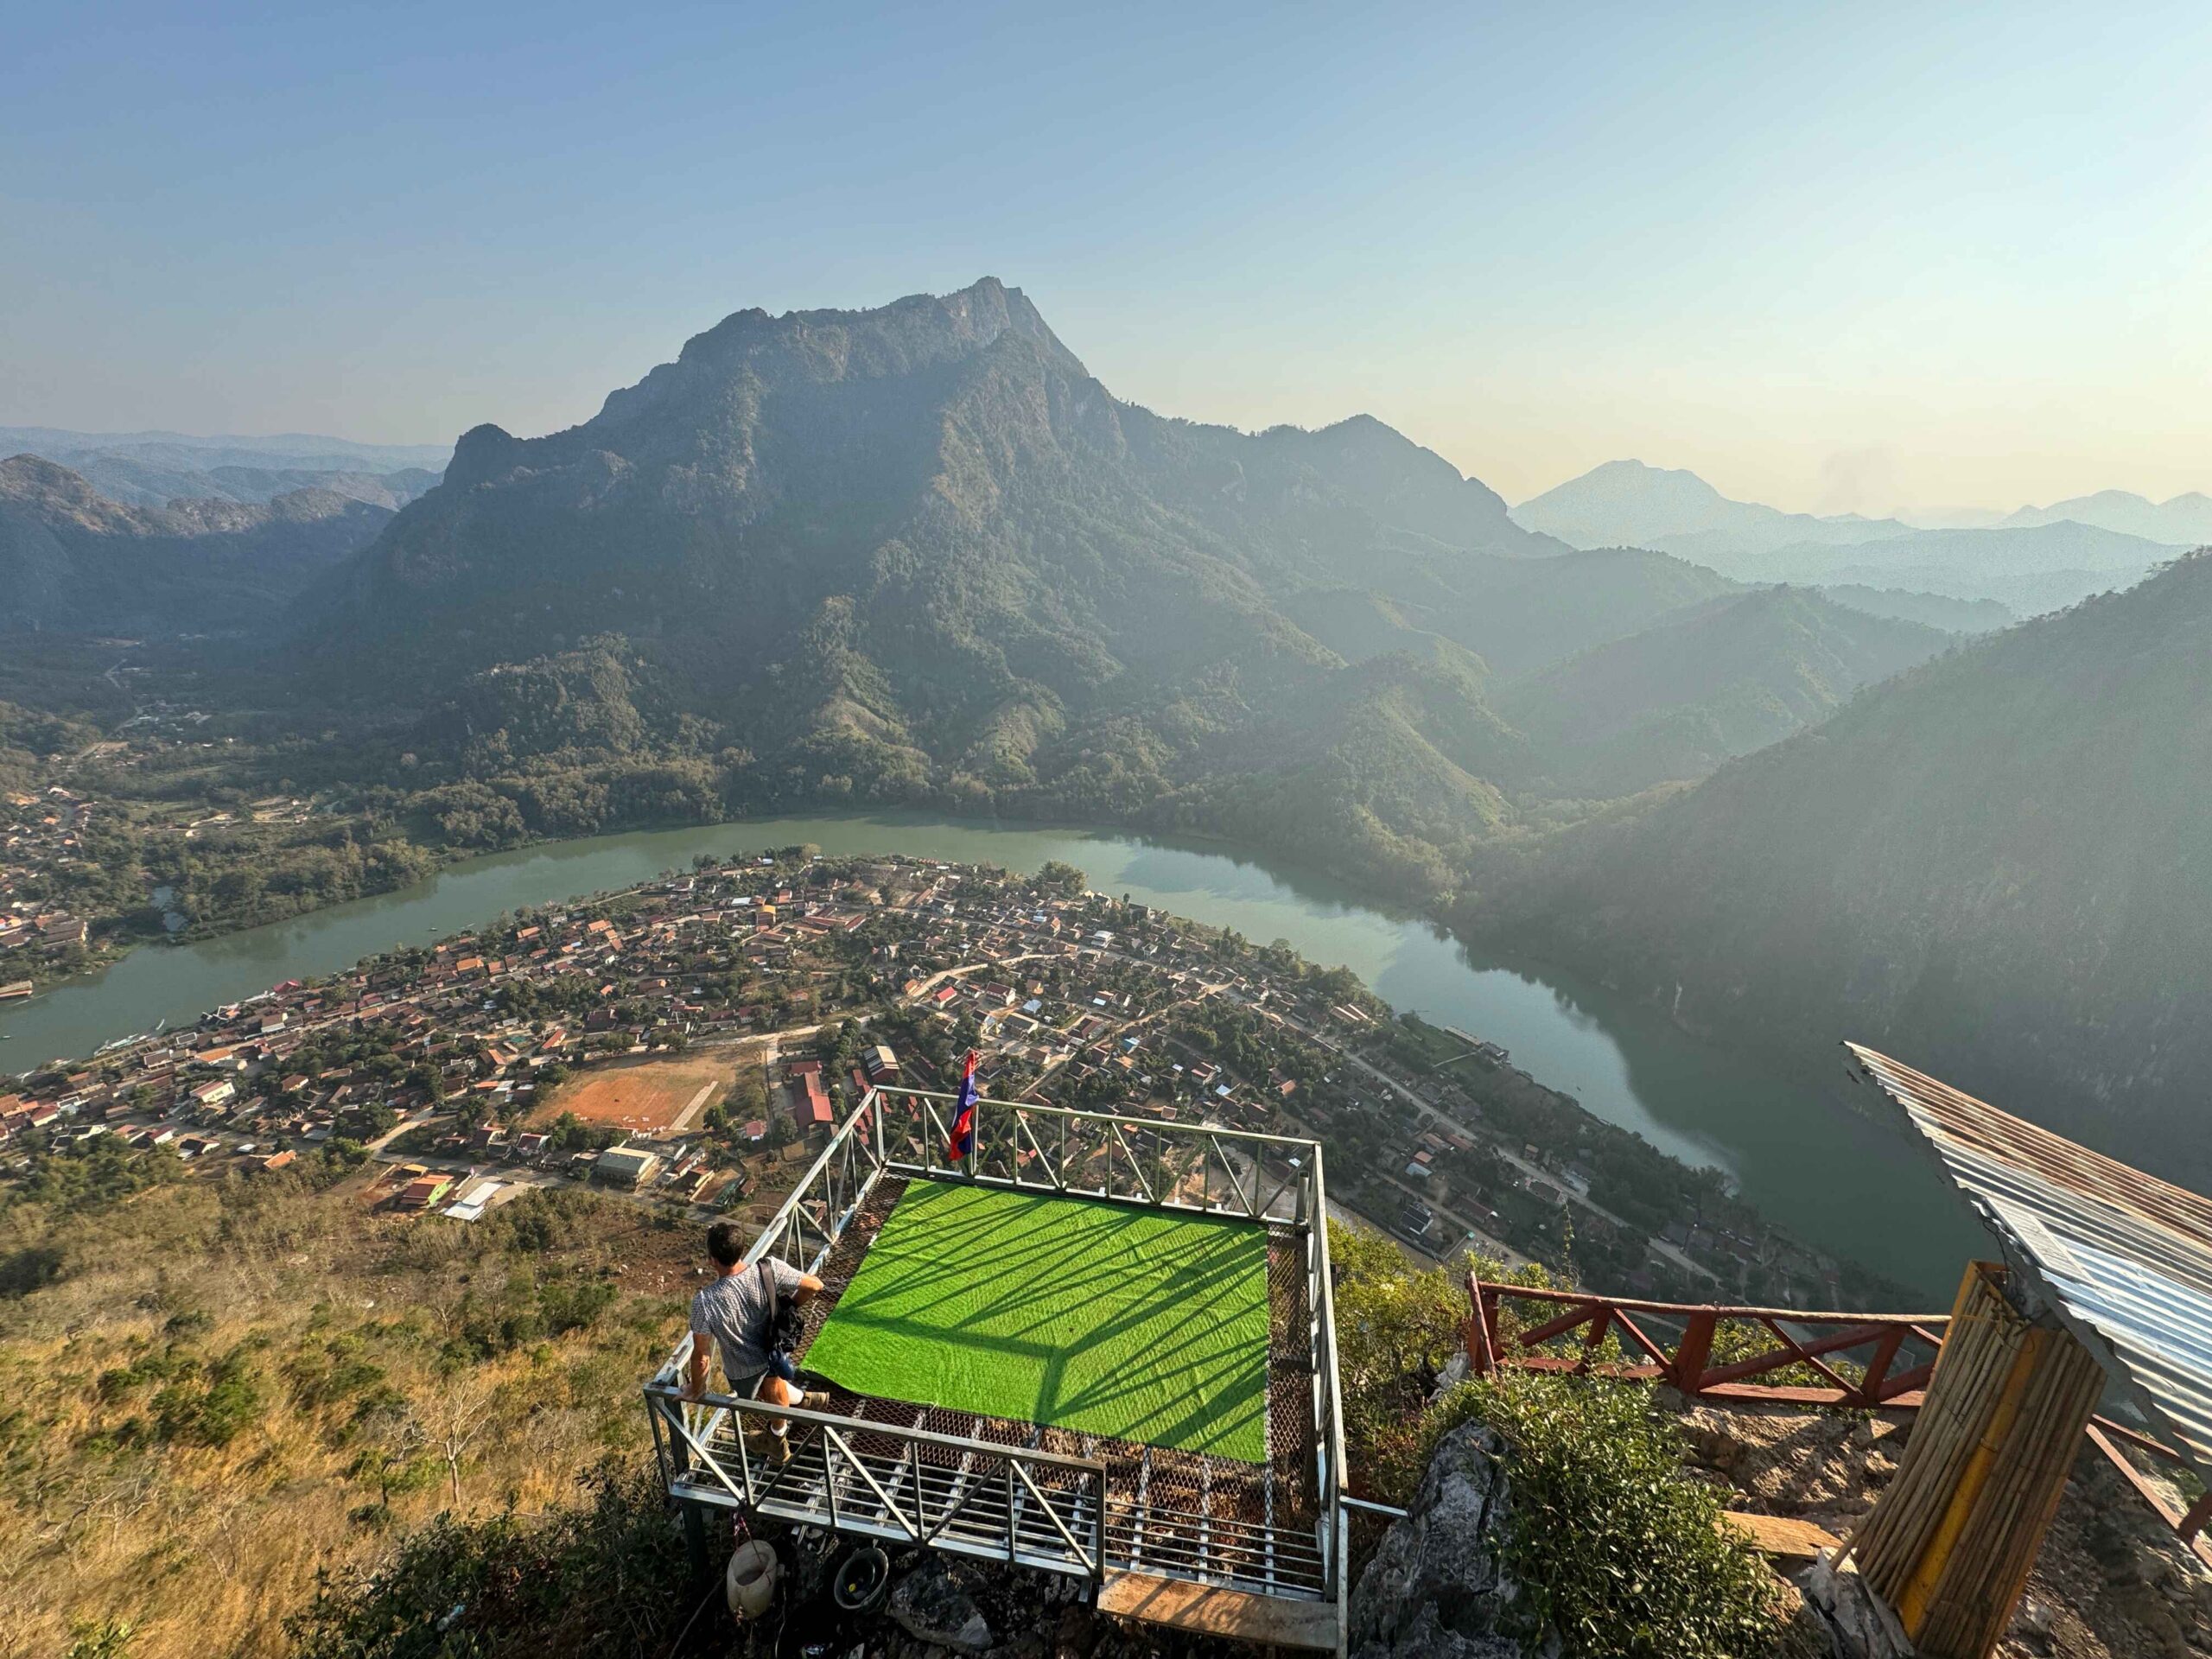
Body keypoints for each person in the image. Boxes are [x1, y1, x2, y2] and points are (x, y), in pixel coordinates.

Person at [683, 1221, 829, 1457]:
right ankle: (807, 1402)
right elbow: (814, 1285)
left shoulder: (705, 1302)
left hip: (745, 1371)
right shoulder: (768, 1269)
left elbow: (702, 1357)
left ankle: (777, 1440)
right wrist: (790, 1305)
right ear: (742, 1249)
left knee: (769, 1387)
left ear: (712, 1260)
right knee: (773, 1381)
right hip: (776, 1351)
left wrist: (696, 1389)